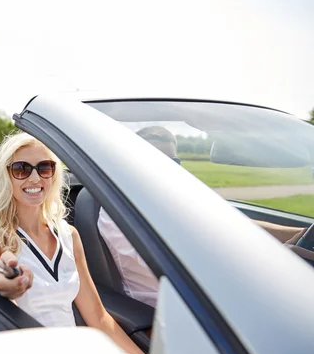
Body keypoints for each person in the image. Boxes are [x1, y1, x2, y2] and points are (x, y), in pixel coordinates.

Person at [0, 131, 150, 354]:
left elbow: (99, 317)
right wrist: (8, 286)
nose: (35, 177)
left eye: (44, 168)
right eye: (21, 169)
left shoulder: (69, 236)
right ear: (6, 176)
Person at [98, 126, 308, 308]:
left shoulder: (165, 201)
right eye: (156, 160)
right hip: (177, 313)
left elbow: (231, 225)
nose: (167, 168)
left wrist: (301, 234)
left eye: (174, 161)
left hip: (211, 300)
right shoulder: (120, 212)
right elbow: (180, 268)